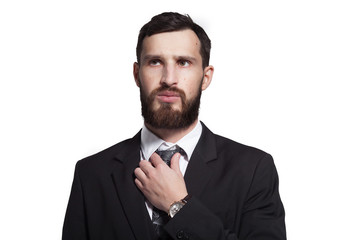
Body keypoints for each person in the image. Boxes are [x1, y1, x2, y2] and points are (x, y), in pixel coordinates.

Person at [62, 12, 286, 240]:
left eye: (183, 62)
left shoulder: (253, 170)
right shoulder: (91, 174)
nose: (169, 79)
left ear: (206, 77)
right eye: (155, 62)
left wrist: (178, 206)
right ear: (137, 74)